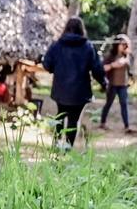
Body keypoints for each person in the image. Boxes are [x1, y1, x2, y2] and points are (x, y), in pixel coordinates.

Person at [42, 17, 105, 149]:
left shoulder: (57, 45)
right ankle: (67, 147)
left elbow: (47, 64)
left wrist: (57, 69)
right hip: (80, 91)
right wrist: (104, 83)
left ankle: (57, 144)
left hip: (60, 89)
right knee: (73, 120)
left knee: (60, 116)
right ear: (82, 29)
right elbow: (96, 68)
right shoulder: (88, 47)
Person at [99, 34, 137, 134]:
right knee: (108, 103)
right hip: (112, 84)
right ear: (117, 44)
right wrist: (113, 65)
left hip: (123, 85)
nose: (124, 46)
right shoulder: (111, 56)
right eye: (122, 44)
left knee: (124, 104)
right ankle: (102, 122)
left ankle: (126, 126)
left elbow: (131, 70)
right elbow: (102, 68)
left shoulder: (128, 57)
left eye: (125, 44)